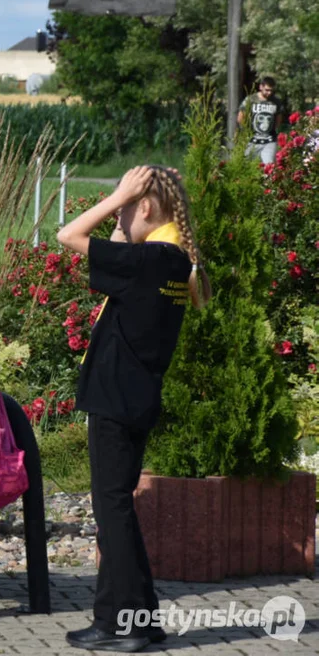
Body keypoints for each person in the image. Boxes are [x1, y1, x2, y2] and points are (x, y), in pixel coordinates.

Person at [57, 166, 211, 653]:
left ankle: (127, 625)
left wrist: (117, 197)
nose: (117, 218)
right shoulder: (171, 261)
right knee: (116, 512)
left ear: (144, 207)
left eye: (125, 207)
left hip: (115, 399)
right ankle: (126, 619)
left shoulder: (150, 260)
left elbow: (68, 235)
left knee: (114, 512)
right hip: (133, 397)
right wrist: (126, 213)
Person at [238, 76, 284, 164]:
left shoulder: (276, 102)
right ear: (261, 87)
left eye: (271, 90)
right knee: (248, 166)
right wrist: (247, 131)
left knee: (269, 166)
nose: (269, 93)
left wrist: (273, 131)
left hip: (270, 141)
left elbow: (278, 120)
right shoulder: (251, 100)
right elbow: (240, 118)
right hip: (252, 140)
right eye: (267, 90)